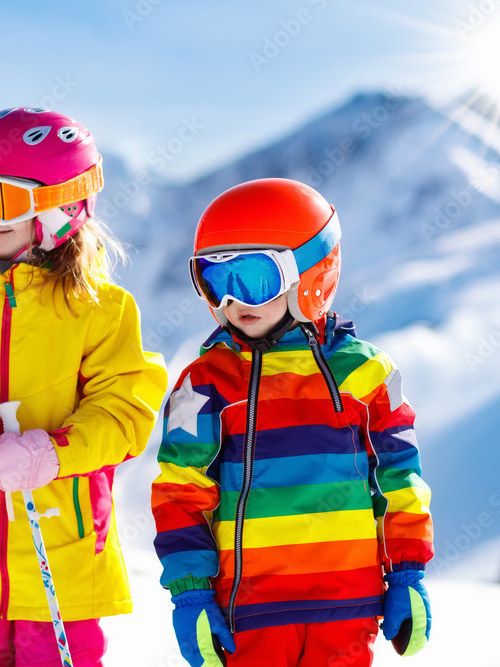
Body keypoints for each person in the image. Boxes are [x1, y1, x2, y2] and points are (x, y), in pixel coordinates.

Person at [0, 107, 168, 667]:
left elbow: (125, 414)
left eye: (7, 198)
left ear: (63, 205)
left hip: (61, 551)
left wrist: (53, 452)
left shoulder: (101, 311)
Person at [151, 178, 434, 666]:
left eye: (253, 278)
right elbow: (180, 490)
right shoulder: (205, 383)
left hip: (348, 607)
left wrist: (407, 573)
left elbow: (399, 477)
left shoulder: (367, 375)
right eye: (215, 281)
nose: (232, 301)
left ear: (311, 273)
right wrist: (191, 593)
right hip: (249, 611)